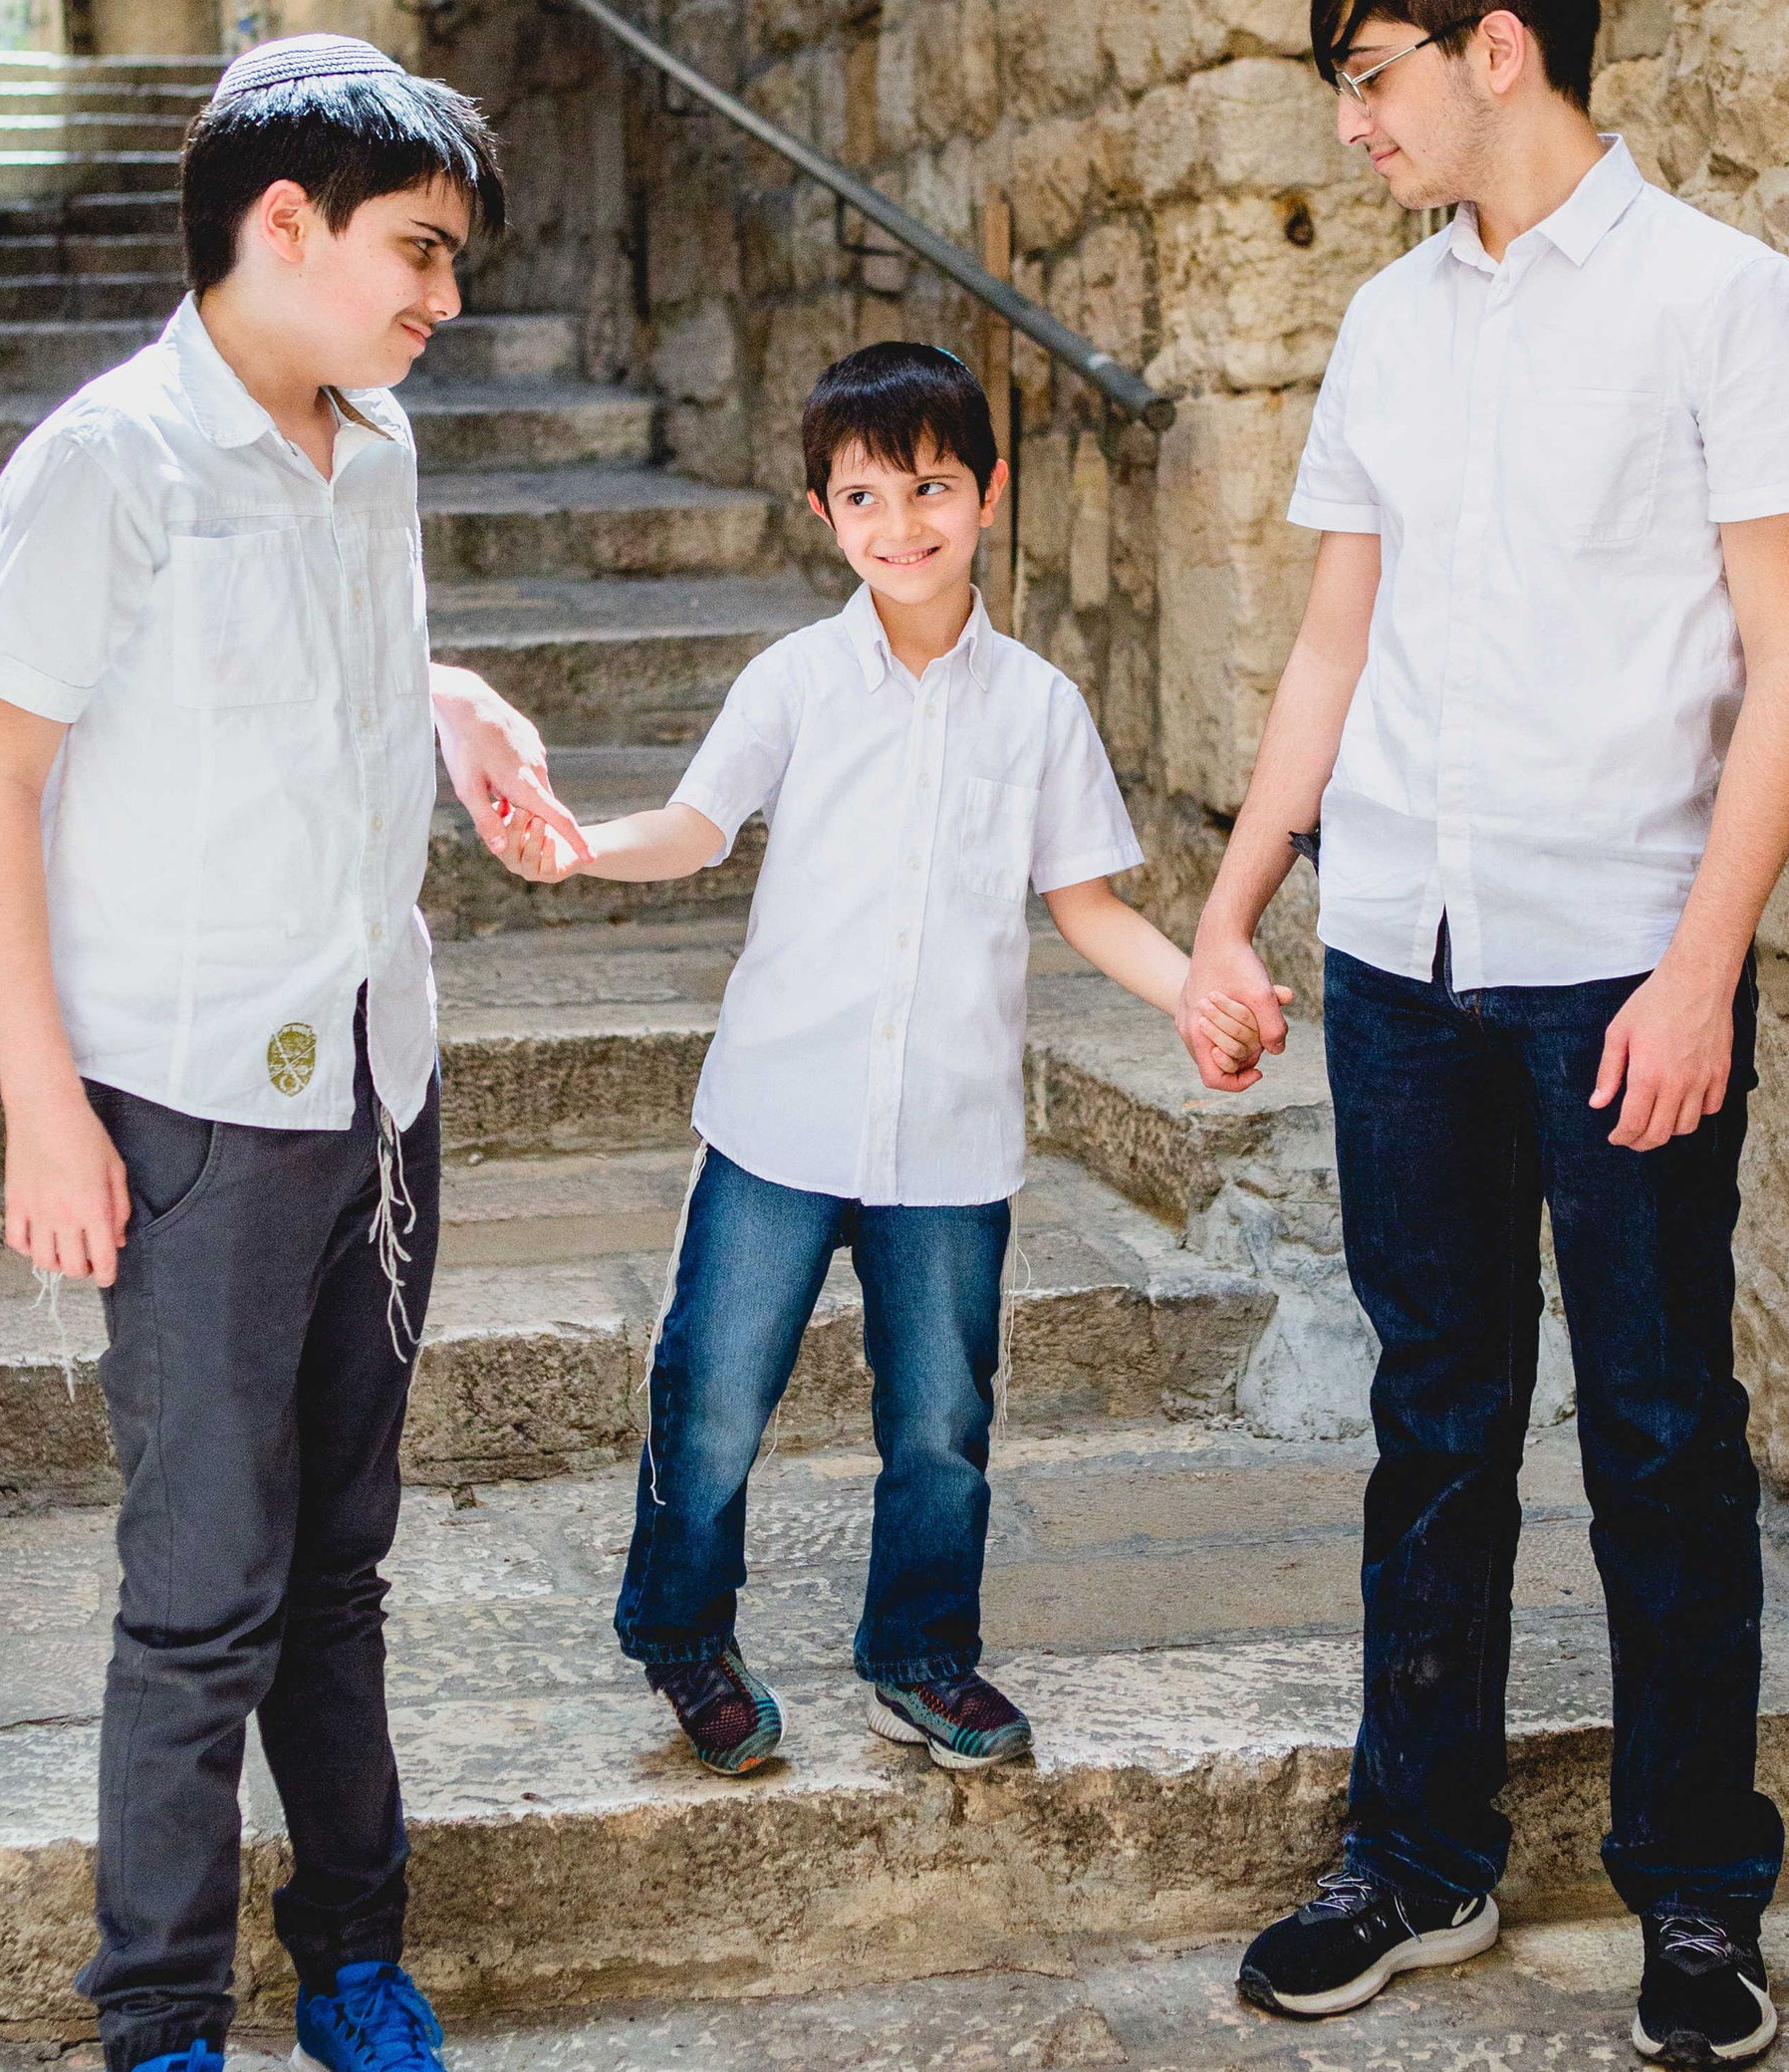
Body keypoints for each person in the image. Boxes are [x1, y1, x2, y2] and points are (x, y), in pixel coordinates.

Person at [1179, 0, 1789, 2072]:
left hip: (1615, 963)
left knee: (1659, 1431)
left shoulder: (1718, 302)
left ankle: (1695, 1891)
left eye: (1367, 80)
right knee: (1430, 1415)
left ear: (1497, 51)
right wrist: (1241, 891)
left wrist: (1695, 968)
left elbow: (1788, 663)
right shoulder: (1386, 328)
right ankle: (1418, 1853)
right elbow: (1335, 644)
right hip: (1398, 953)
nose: (1348, 127)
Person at [0, 34, 586, 2072]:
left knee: (338, 1573)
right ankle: (150, 2065)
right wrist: (39, 1097)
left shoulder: (371, 445)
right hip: (192, 1112)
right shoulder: (105, 469)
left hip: (378, 1096)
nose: (440, 301)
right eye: (417, 255)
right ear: (280, 229)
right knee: (196, 1601)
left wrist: (455, 699)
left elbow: (322, 666)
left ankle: (353, 1982)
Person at [517, 338, 1265, 1777]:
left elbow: (1088, 903)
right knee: (715, 1392)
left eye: (931, 488)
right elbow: (695, 825)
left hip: (950, 1138)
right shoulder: (795, 683)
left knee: (940, 1422)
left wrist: (1193, 996)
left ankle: (920, 1657)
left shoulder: (1039, 705)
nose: (901, 524)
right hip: (777, 1124)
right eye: (864, 496)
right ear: (822, 514)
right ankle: (685, 1635)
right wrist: (581, 849)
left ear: (988, 496)